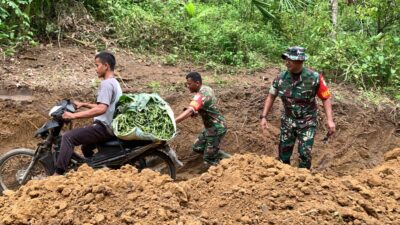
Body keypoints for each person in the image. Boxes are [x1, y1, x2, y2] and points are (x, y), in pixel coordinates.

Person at [260, 46, 335, 169]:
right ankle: (284, 177)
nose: (287, 62)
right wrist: (263, 117)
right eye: (286, 59)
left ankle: (303, 179)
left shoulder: (314, 78)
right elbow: (271, 96)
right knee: (283, 155)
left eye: (290, 59)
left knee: (305, 154)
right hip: (288, 121)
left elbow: (325, 98)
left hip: (307, 121)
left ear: (300, 61)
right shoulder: (280, 78)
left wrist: (330, 120)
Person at [54, 51, 122, 175]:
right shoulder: (114, 82)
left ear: (106, 66)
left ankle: (58, 174)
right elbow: (105, 105)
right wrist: (84, 104)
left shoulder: (106, 84)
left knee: (68, 137)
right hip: (110, 126)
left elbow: (101, 109)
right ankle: (95, 171)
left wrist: (73, 115)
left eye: (97, 65)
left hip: (104, 127)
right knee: (86, 147)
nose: (96, 69)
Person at [175, 72, 230, 165]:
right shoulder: (207, 89)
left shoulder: (201, 94)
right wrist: (197, 111)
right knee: (197, 147)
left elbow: (190, 110)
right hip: (211, 128)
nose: (188, 86)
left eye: (189, 84)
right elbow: (206, 105)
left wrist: (174, 122)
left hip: (216, 128)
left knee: (208, 159)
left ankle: (230, 164)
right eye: (187, 84)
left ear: (197, 83)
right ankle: (221, 156)